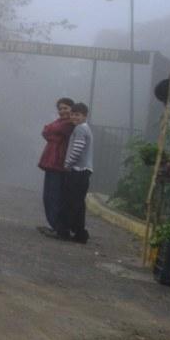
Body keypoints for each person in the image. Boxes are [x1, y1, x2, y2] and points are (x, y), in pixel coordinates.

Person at [57, 102, 94, 243]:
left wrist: (68, 163)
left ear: (85, 116)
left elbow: (77, 149)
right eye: (73, 114)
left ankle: (64, 231)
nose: (74, 117)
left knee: (71, 202)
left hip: (78, 170)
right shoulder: (85, 128)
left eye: (78, 115)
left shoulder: (80, 129)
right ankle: (80, 233)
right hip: (84, 171)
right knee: (78, 203)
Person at [37, 97, 75, 233]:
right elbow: (46, 131)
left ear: (72, 109)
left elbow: (50, 130)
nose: (62, 111)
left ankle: (57, 225)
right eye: (60, 109)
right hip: (51, 162)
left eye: (65, 108)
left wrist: (52, 132)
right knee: (48, 195)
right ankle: (52, 223)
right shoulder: (60, 122)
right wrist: (53, 133)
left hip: (59, 163)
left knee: (55, 195)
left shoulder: (70, 123)